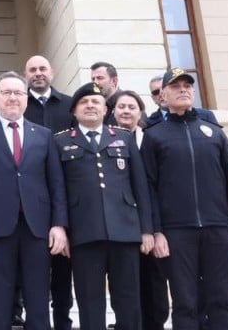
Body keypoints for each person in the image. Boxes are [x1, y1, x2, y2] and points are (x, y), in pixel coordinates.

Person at [141, 68, 228, 330]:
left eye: (187, 86)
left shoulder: (213, 131)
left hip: (219, 229)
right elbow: (149, 189)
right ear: (163, 96)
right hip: (177, 233)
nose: (183, 90)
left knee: (221, 301)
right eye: (176, 86)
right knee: (185, 303)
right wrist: (157, 231)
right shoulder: (154, 135)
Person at [0, 71, 68, 330]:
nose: (12, 98)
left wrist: (59, 225)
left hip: (37, 229)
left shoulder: (44, 135)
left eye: (18, 93)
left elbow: (56, 183)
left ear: (26, 99)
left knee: (37, 304)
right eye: (7, 93)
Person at [53, 85, 153, 330]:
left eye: (95, 102)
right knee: (89, 303)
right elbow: (58, 191)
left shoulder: (123, 138)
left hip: (125, 232)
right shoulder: (60, 141)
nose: (90, 105)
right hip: (84, 234)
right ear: (74, 111)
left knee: (129, 302)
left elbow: (140, 187)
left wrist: (147, 230)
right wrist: (62, 229)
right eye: (84, 102)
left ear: (105, 109)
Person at [21, 55, 75, 330]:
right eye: (32, 70)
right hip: (30, 200)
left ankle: (63, 321)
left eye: (43, 69)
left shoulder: (69, 106)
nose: (38, 74)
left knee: (63, 269)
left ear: (51, 72)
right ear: (25, 74)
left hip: (66, 195)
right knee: (33, 272)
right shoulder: (20, 106)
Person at [109, 90, 169, 330]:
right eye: (121, 106)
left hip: (152, 223)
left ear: (140, 112)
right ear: (112, 112)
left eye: (131, 107)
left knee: (154, 285)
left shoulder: (152, 139)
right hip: (121, 226)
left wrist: (155, 229)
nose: (126, 111)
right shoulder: (107, 140)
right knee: (125, 288)